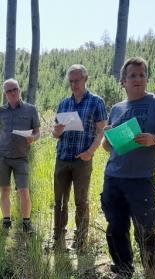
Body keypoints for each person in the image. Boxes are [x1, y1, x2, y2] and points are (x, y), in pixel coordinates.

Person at [101, 57, 155, 279]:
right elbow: (107, 147)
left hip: (141, 179)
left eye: (141, 74)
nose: (137, 79)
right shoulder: (117, 108)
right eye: (132, 76)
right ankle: (123, 270)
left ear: (147, 78)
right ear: (123, 82)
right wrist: (108, 136)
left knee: (145, 229)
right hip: (113, 176)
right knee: (116, 227)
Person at [52, 65, 107, 250]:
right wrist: (57, 131)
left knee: (81, 201)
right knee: (59, 201)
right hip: (63, 157)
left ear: (85, 79)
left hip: (82, 159)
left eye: (77, 80)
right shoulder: (64, 104)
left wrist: (90, 152)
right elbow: (56, 133)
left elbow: (102, 132)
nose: (74, 84)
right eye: (71, 81)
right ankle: (58, 238)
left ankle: (81, 240)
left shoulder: (96, 102)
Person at [0, 79, 40, 232]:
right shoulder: (0, 110)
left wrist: (33, 138)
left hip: (21, 157)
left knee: (24, 191)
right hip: (3, 156)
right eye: (9, 91)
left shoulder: (31, 110)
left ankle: (26, 222)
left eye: (15, 89)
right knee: (4, 190)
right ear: (5, 94)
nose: (12, 93)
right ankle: (6, 220)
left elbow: (37, 132)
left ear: (19, 90)